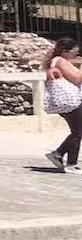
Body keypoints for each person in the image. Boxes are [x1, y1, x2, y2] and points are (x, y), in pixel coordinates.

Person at [43, 38, 82, 173]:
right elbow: (76, 78)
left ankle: (60, 154)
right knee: (78, 132)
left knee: (77, 131)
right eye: (75, 52)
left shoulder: (61, 61)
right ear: (66, 51)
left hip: (68, 101)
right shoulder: (60, 61)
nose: (76, 54)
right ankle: (70, 163)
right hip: (69, 101)